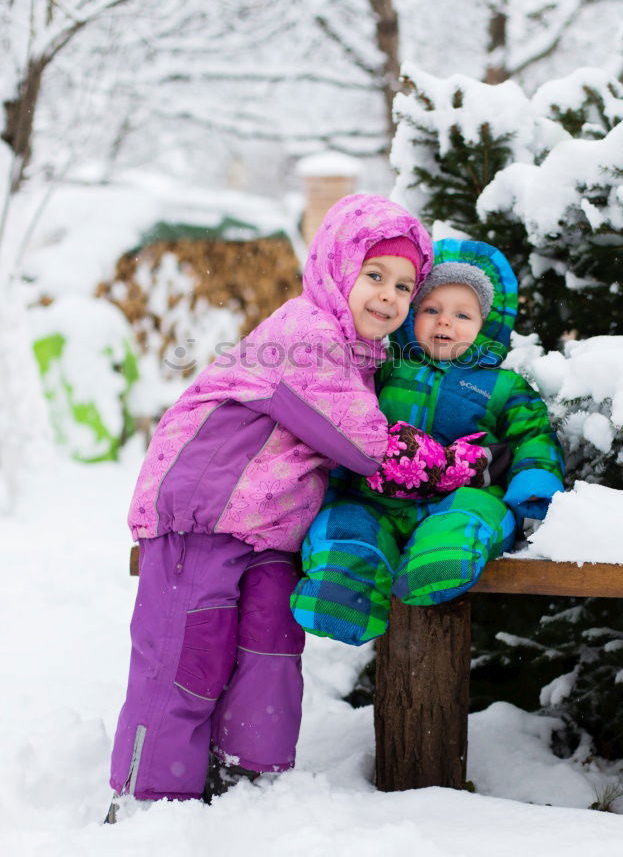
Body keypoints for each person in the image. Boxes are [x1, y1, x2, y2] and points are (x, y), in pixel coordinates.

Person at [107, 197, 499, 816]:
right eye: (374, 276)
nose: (389, 297)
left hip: (271, 528)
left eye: (404, 286)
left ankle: (252, 784)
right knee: (187, 653)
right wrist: (462, 463)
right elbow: (367, 445)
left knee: (269, 652)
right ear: (337, 269)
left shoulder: (361, 355)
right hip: (207, 515)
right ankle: (151, 796)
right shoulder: (307, 336)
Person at [291, 238, 565, 646]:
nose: (444, 323)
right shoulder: (381, 368)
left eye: (462, 315)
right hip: (377, 497)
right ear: (410, 315)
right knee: (349, 523)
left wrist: (535, 491)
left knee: (475, 513)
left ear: (486, 324)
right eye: (431, 310)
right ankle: (343, 585)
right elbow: (343, 414)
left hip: (459, 495)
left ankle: (440, 559)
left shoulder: (503, 387)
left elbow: (532, 437)